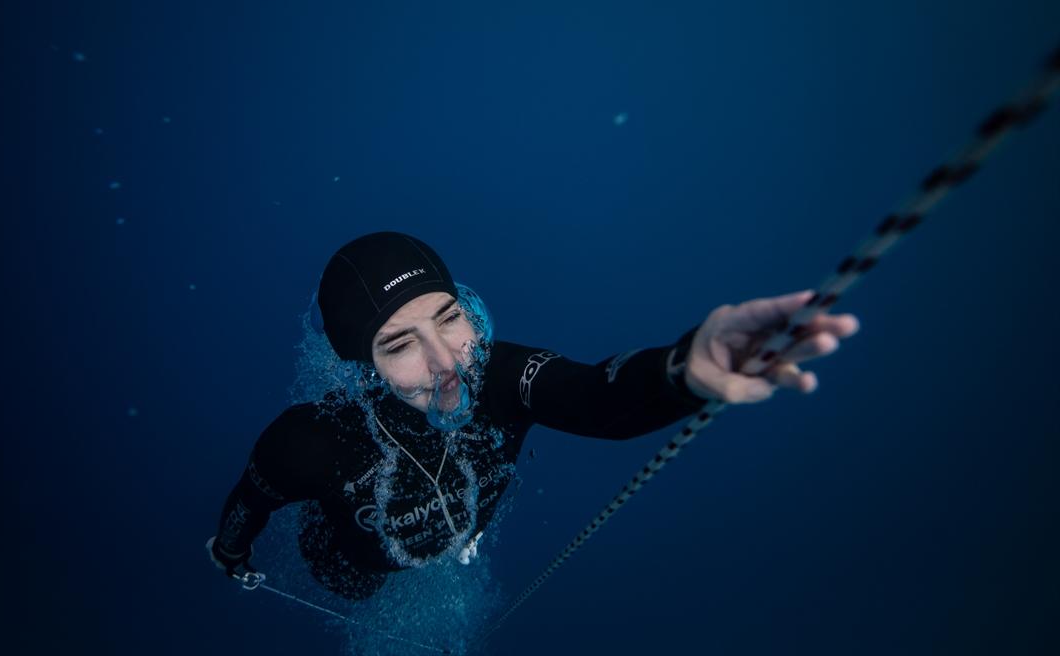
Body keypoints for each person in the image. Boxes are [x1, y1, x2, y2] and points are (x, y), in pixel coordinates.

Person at [207, 231, 859, 599]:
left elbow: (597, 395)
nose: (447, 362)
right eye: (399, 344)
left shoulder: (501, 376)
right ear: (360, 366)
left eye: (448, 318)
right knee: (357, 590)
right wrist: (231, 554)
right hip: (356, 567)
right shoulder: (308, 442)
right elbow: (249, 503)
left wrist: (686, 367)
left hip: (460, 536)